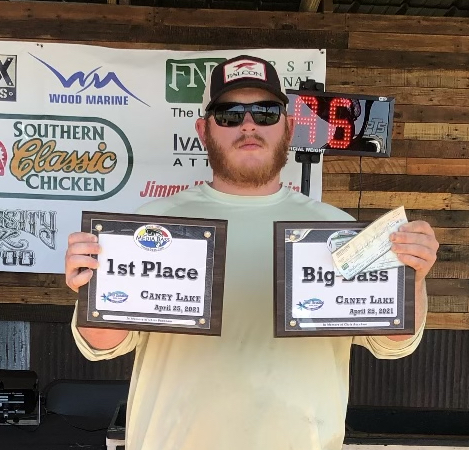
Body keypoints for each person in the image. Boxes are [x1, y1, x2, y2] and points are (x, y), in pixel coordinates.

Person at [66, 55, 439, 450]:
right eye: (229, 114)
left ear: (289, 127)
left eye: (265, 112)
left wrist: (413, 276)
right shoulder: (148, 226)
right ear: (204, 130)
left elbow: (392, 343)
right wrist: (90, 284)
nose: (248, 125)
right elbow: (102, 344)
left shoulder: (337, 231)